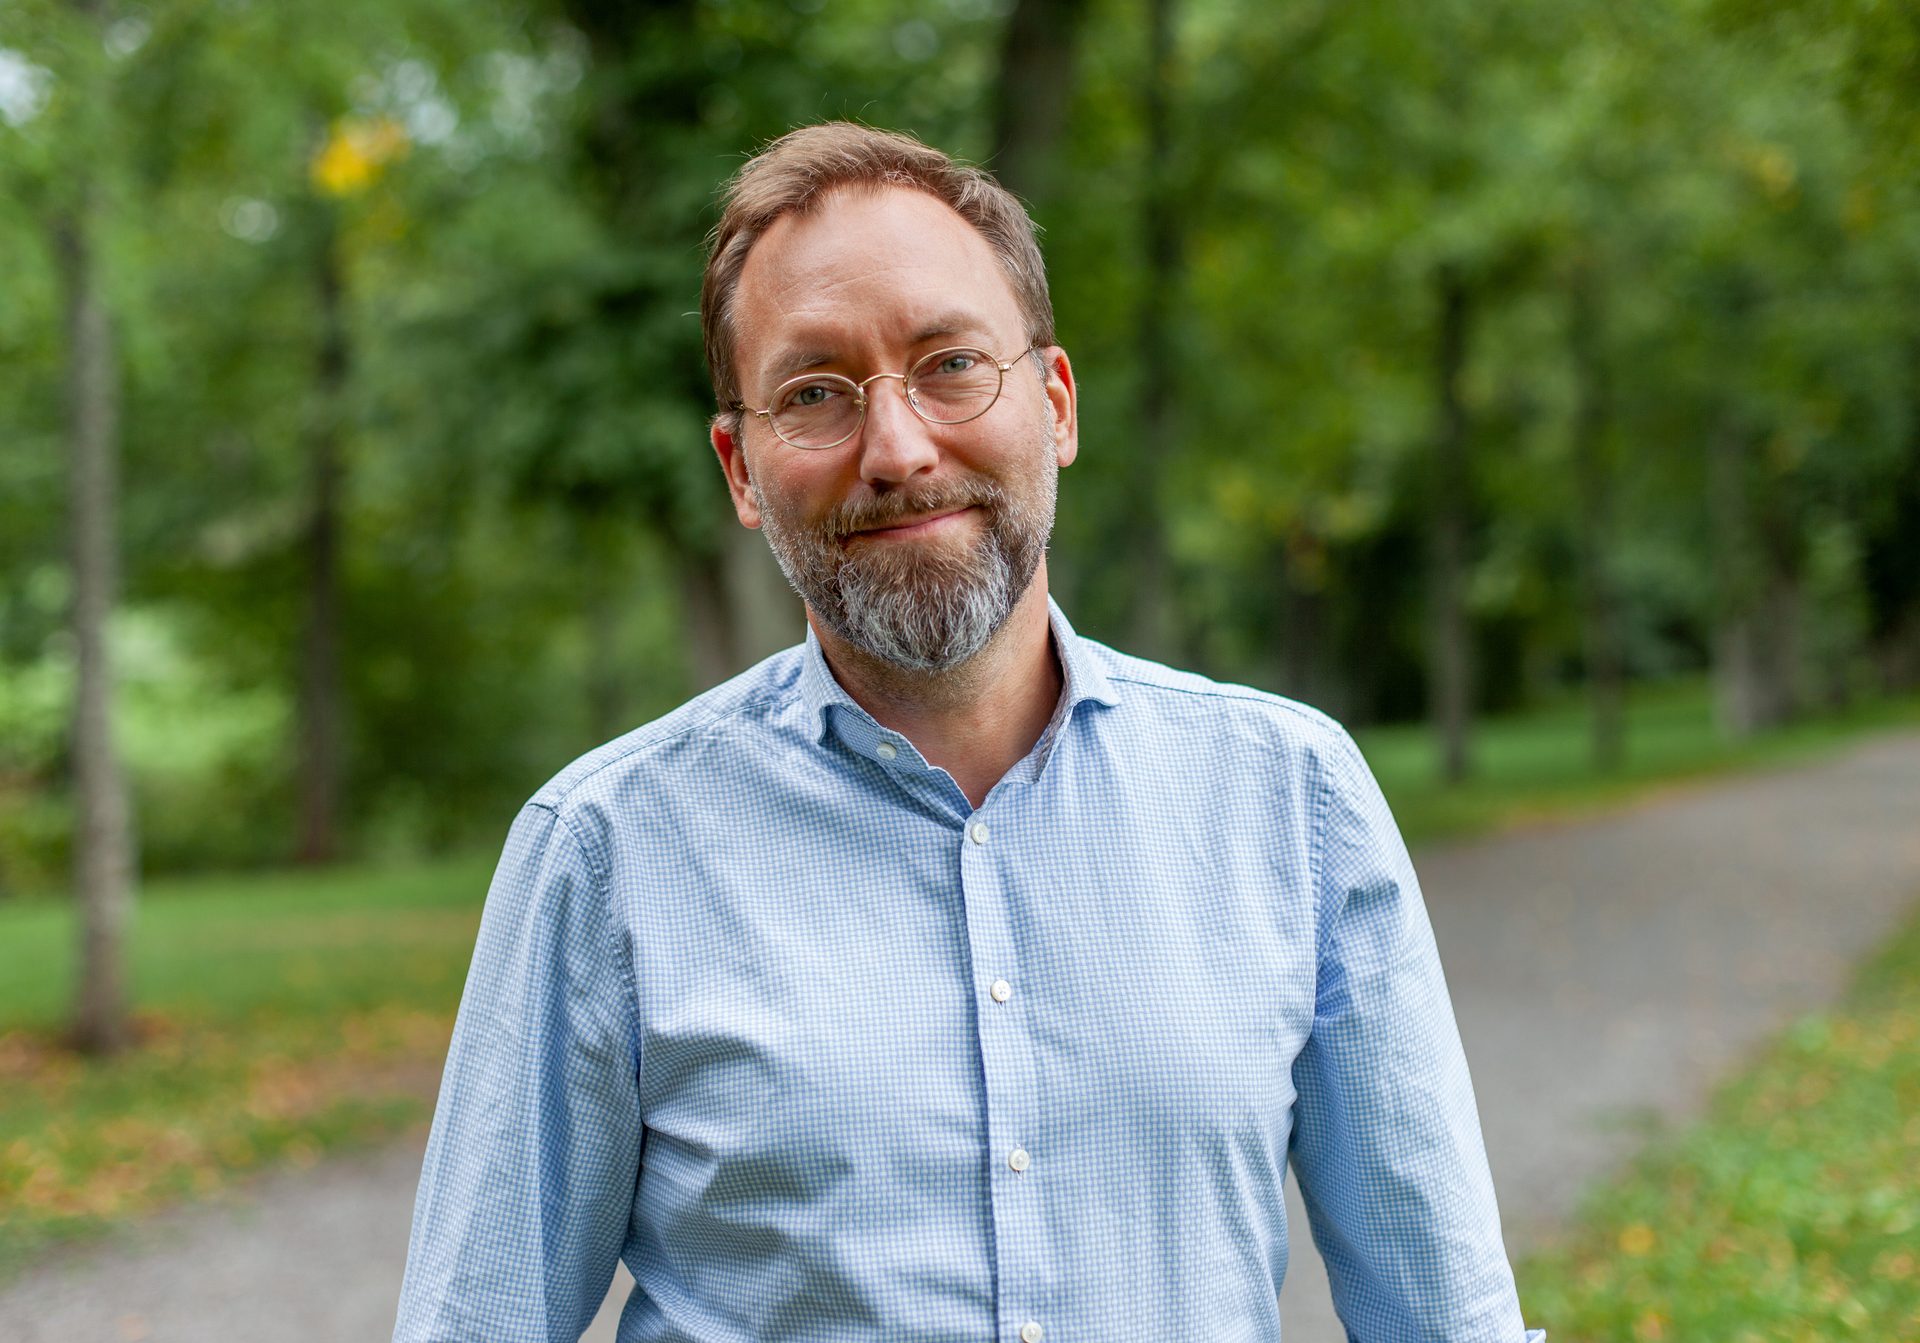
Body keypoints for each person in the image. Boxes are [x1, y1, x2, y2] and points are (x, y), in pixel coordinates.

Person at [394, 122, 1544, 1343]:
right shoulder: (607, 851)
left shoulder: (1291, 799)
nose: (895, 449)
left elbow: (1446, 1319)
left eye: (950, 364)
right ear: (739, 468)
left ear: (1054, 403)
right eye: (815, 393)